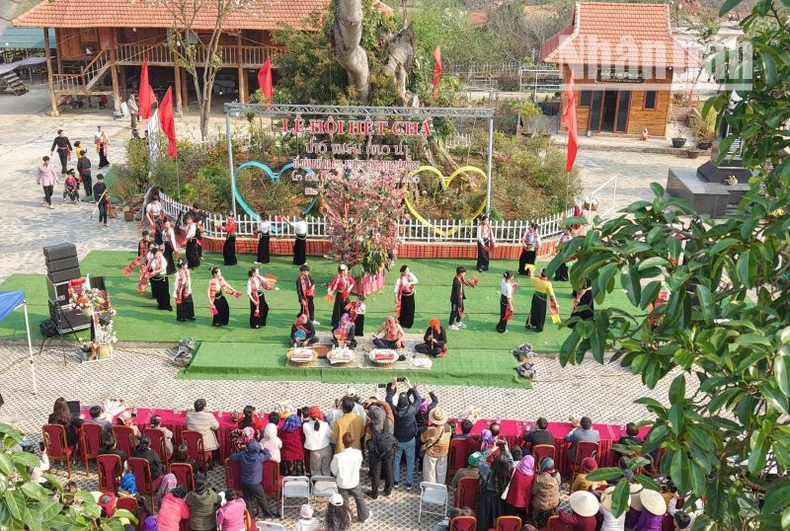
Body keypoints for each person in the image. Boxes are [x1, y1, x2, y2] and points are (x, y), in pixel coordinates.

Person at [229, 439, 279, 519]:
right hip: (255, 483)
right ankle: (267, 514)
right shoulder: (259, 457)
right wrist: (264, 449)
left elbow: (232, 457)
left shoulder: (242, 455)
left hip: (244, 481)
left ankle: (250, 516)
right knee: (261, 498)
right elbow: (268, 455)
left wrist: (241, 452)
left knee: (247, 499)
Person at [387, 378, 421, 489]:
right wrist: (410, 386)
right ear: (407, 403)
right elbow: (418, 398)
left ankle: (396, 482)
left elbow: (388, 400)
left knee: (396, 460)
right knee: (410, 461)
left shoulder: (394, 411)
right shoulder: (411, 410)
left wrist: (393, 387)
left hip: (397, 439)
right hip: (410, 439)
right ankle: (409, 483)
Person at [330, 433, 370, 523]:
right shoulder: (358, 453)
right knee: (359, 498)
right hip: (354, 481)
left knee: (344, 502)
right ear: (352, 442)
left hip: (342, 483)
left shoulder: (337, 457)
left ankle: (346, 518)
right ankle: (364, 516)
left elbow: (334, 471)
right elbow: (359, 465)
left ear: (343, 442)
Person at [366, 405, 396, 499]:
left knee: (376, 472)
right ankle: (388, 491)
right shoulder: (389, 422)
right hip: (388, 449)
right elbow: (391, 433)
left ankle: (374, 493)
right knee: (388, 469)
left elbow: (367, 441)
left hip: (375, 452)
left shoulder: (369, 428)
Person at [477, 452, 512, 530]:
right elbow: (511, 461)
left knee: (484, 520)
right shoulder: (508, 470)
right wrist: (506, 449)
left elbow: (480, 459)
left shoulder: (488, 472)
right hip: (500, 498)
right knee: (498, 520)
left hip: (487, 498)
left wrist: (491, 449)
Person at [420, 407, 452, 484]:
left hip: (431, 454)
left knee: (430, 474)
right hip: (443, 453)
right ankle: (440, 488)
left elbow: (422, 439)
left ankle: (430, 488)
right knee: (441, 474)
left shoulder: (430, 430)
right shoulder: (448, 428)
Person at [528, 457, 561, 528]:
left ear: (544, 467)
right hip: (554, 503)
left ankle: (536, 525)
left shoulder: (538, 479)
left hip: (541, 506)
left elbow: (533, 492)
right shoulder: (557, 474)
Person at [185, 399, 220, 464]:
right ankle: (211, 462)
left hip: (191, 443)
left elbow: (186, 425)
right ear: (204, 407)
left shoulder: (188, 415)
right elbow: (216, 426)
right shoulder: (209, 416)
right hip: (205, 444)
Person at [303, 406, 333, 476]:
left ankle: (317, 484)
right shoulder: (325, 425)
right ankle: (326, 484)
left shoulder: (305, 426)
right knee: (326, 469)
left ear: (310, 415)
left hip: (314, 451)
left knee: (316, 471)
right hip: (326, 449)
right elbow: (330, 434)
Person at [504, 454, 535, 520]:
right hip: (523, 503)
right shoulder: (532, 477)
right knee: (522, 521)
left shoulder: (514, 471)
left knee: (510, 521)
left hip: (511, 500)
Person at [328, 265, 355, 330]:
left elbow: (353, 282)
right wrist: (329, 291)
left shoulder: (347, 276)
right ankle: (337, 322)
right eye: (346, 270)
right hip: (340, 295)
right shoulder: (338, 278)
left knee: (348, 307)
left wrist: (349, 288)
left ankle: (346, 320)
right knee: (338, 309)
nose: (347, 271)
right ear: (343, 271)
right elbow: (332, 284)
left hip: (346, 294)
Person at [147, 245, 172, 311]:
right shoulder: (151, 260)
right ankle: (161, 304)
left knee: (165, 293)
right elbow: (149, 266)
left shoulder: (162, 259)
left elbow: (162, 268)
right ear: (153, 254)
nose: (157, 255)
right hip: (154, 279)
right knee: (157, 293)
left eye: (158, 254)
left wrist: (155, 271)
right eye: (156, 254)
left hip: (162, 277)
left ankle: (168, 305)